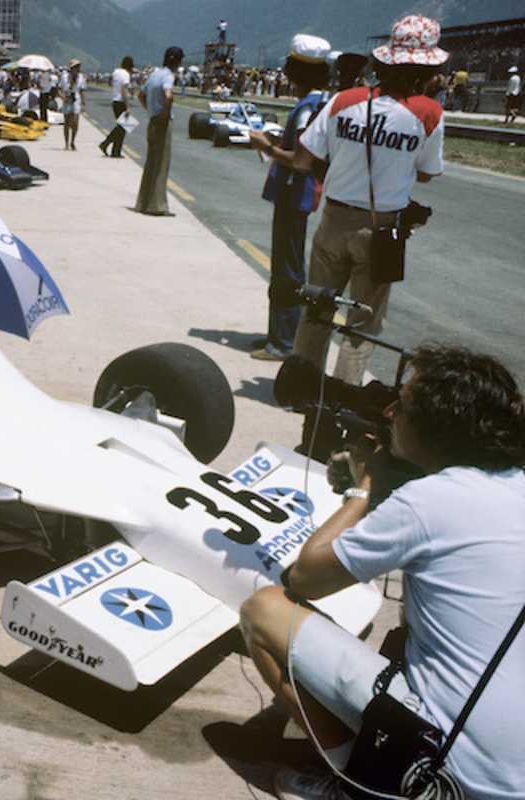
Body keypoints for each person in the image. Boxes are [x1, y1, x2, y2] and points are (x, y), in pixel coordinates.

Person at [239, 344, 525, 800]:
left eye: (404, 404)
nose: (390, 410)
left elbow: (304, 577)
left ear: (436, 427)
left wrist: (364, 487)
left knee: (264, 612)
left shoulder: (431, 500)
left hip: (459, 776)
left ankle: (354, 786)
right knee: (403, 642)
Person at [289, 15, 446, 385]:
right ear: (426, 69)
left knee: (317, 309)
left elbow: (302, 159)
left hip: (333, 220)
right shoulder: (428, 113)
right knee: (365, 320)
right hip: (382, 227)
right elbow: (426, 173)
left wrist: (340, 173)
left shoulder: (344, 101)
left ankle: (299, 386)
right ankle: (341, 397)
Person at [247, 35, 332, 362]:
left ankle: (283, 341)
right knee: (288, 263)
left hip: (294, 192)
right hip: (296, 192)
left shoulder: (306, 108)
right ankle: (280, 332)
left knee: (287, 267)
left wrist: (264, 146)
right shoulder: (317, 103)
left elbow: (300, 159)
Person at [135, 46, 182, 216]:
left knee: (150, 162)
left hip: (152, 120)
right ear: (177, 61)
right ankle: (157, 205)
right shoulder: (169, 75)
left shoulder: (154, 74)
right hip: (162, 122)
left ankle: (143, 202)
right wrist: (164, 113)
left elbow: (141, 95)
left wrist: (150, 110)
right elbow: (168, 95)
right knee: (161, 163)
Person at [99, 56, 134, 157]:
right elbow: (124, 90)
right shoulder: (126, 74)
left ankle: (116, 151)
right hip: (121, 101)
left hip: (114, 100)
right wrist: (128, 107)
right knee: (122, 126)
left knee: (123, 127)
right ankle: (105, 143)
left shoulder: (116, 71)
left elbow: (110, 81)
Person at [59, 59, 86, 150]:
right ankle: (66, 143)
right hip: (67, 99)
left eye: (78, 67)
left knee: (75, 122)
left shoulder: (81, 77)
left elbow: (81, 91)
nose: (77, 69)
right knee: (66, 122)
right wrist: (62, 97)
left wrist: (83, 103)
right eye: (75, 67)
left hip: (76, 100)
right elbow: (59, 89)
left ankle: (72, 141)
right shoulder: (64, 77)